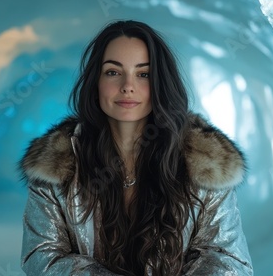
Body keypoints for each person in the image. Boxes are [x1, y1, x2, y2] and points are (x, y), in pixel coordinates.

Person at [19, 20, 253, 275]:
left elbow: (228, 261)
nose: (127, 86)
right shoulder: (58, 162)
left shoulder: (202, 160)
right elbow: (42, 258)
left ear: (161, 83)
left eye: (143, 74)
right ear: (95, 81)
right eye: (113, 72)